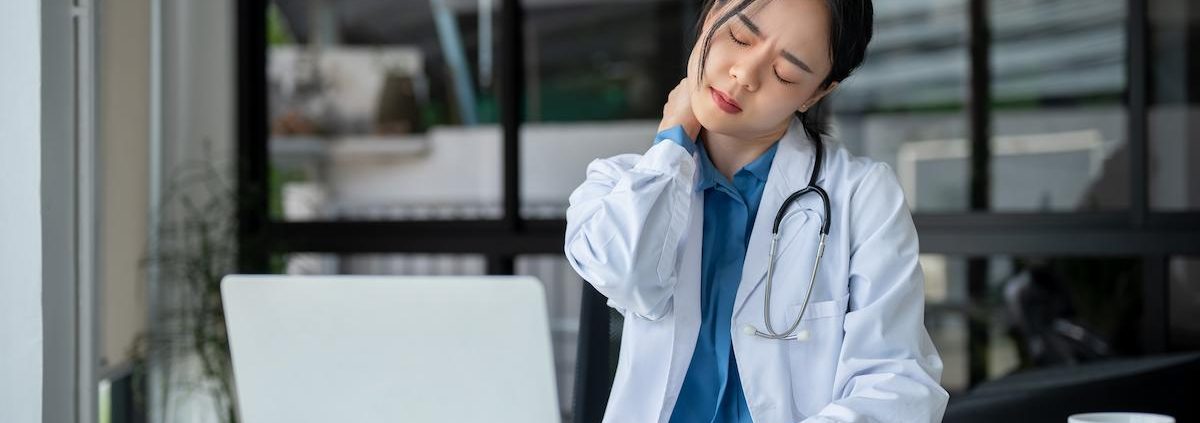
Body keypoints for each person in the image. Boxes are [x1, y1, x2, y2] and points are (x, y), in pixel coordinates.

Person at [563, 0, 949, 422]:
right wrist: (672, 142)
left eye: (785, 73)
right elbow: (627, 276)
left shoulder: (863, 197)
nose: (744, 75)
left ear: (817, 92)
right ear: (710, 16)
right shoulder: (618, 183)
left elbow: (895, 381)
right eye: (739, 36)